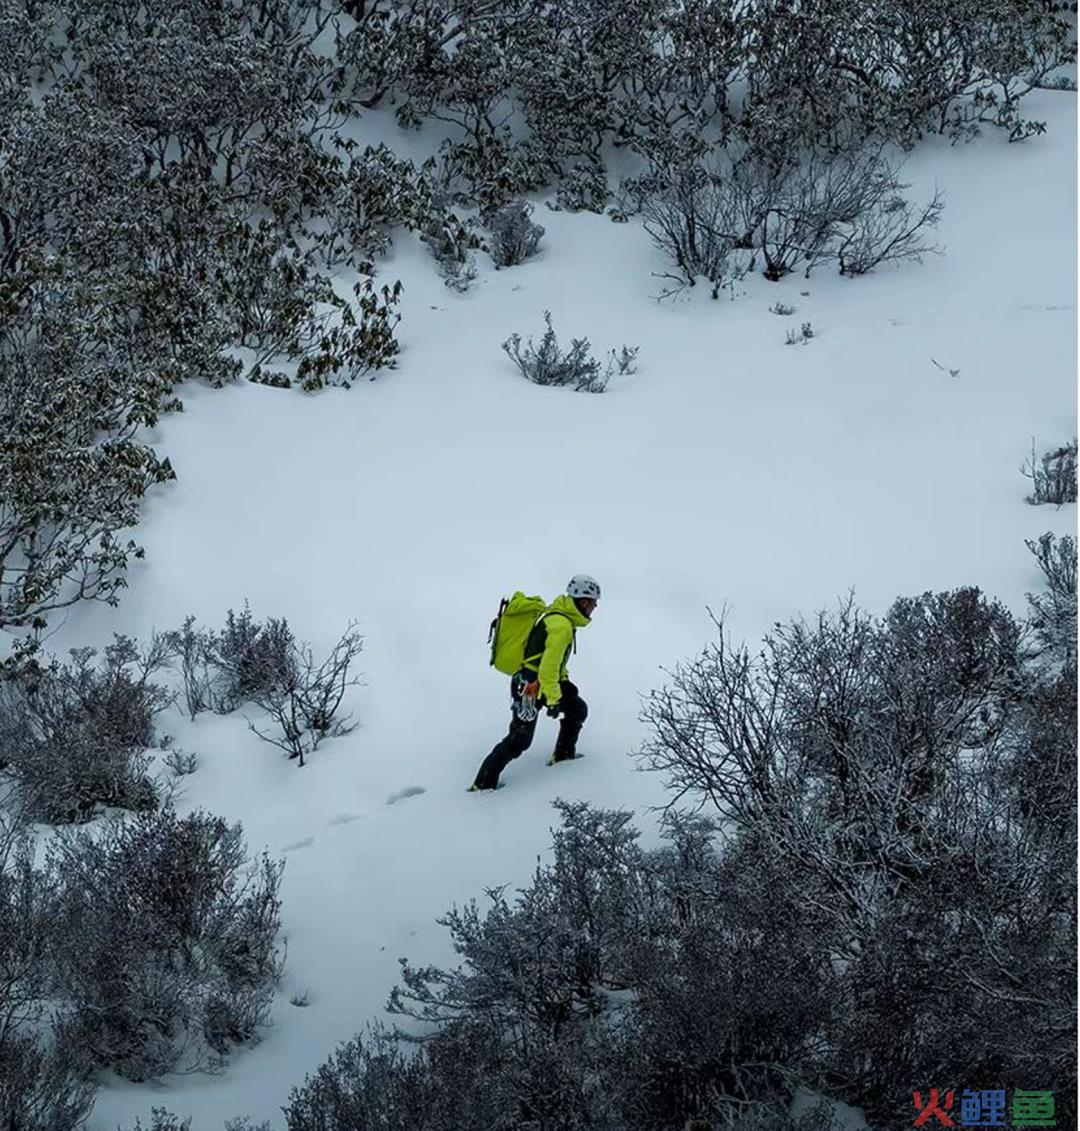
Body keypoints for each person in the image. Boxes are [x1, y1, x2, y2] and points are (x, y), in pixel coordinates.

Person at [470, 574, 600, 791]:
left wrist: (564, 683)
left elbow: (553, 663)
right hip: (529, 688)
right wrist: (554, 699)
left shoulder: (559, 618)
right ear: (583, 601)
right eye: (593, 603)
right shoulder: (561, 626)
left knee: (577, 708)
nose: (594, 608)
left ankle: (563, 756)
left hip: (534, 682)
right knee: (519, 739)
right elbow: (547, 668)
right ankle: (482, 784)